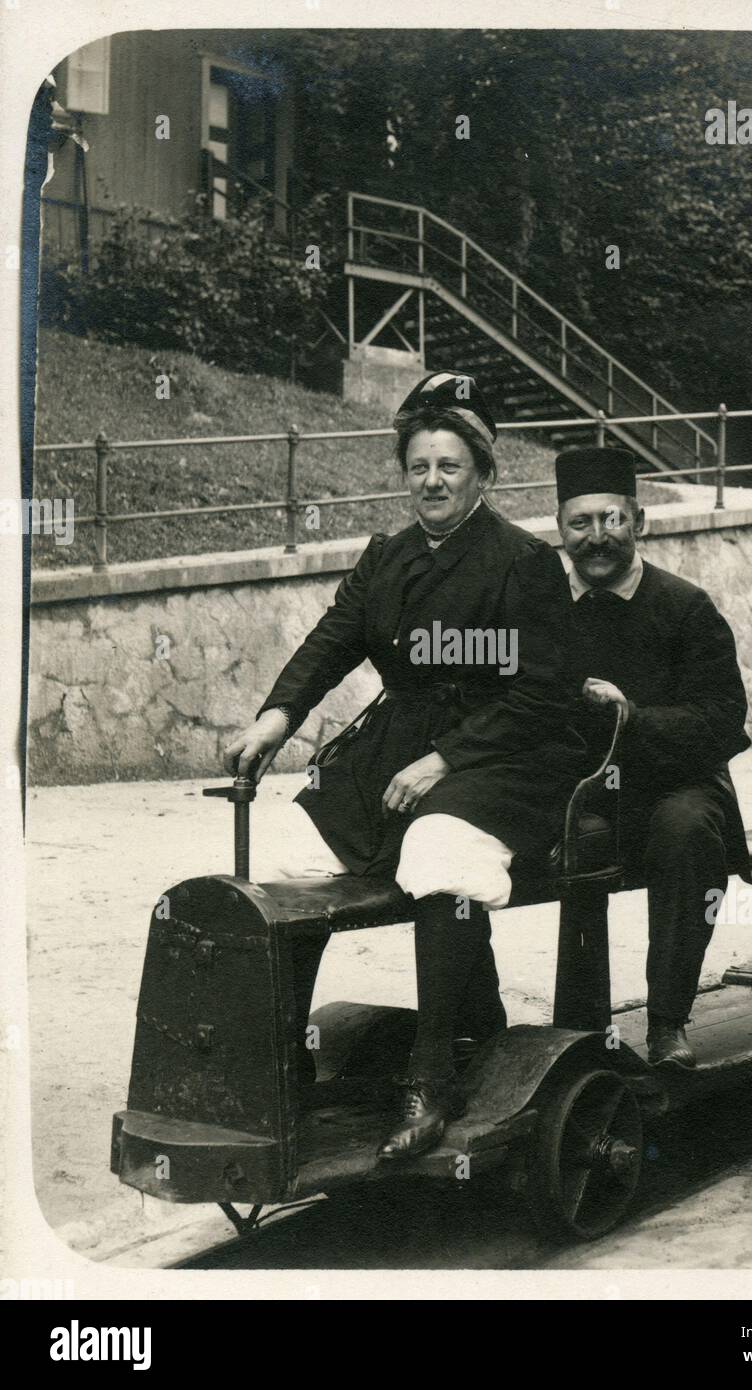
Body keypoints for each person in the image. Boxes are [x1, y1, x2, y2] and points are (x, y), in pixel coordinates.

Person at [223, 372, 585, 1158]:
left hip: (508, 751)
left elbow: (546, 693)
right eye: (418, 466)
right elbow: (332, 639)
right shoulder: (386, 556)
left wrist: (444, 759)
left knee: (438, 853)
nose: (432, 481)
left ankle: (431, 1082)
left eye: (449, 466)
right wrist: (276, 719)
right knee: (296, 863)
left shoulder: (525, 563)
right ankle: (283, 1066)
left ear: (483, 475)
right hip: (400, 746)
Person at [556, 445, 752, 1069]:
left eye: (611, 519)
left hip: (677, 783)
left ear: (638, 521)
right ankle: (561, 1031)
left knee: (685, 833)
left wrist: (631, 717)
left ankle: (667, 1020)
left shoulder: (685, 607)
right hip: (578, 789)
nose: (597, 537)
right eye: (580, 522)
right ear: (560, 528)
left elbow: (724, 719)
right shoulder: (542, 607)